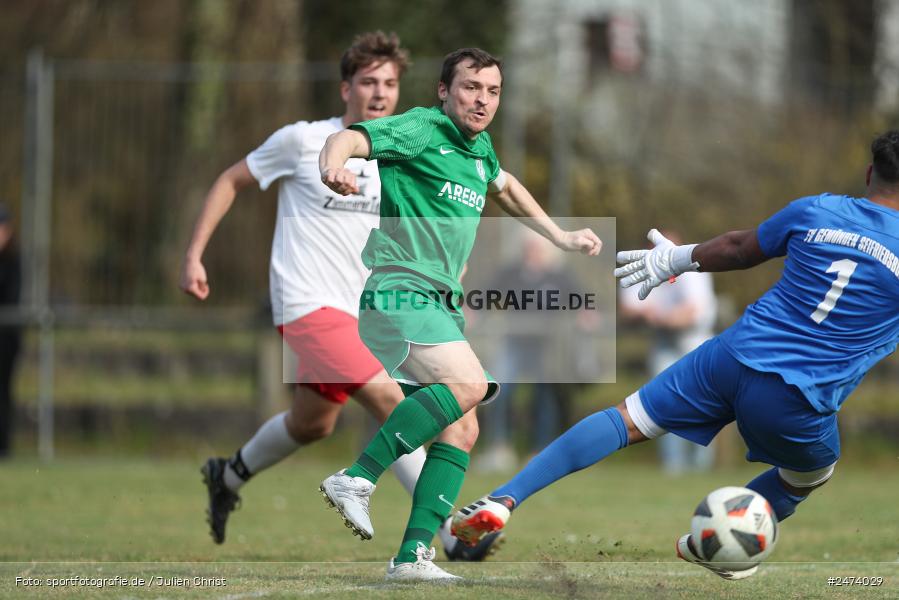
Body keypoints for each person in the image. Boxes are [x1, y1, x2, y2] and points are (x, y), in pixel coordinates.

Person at [451, 130, 899, 580]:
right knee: (811, 473)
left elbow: (739, 249)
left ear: (869, 173)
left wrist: (677, 258)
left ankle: (504, 498)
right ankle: (714, 542)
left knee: (628, 418)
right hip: (797, 396)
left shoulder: (817, 209)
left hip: (731, 356)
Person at [179, 32, 499, 562]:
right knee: (393, 401)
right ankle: (446, 533)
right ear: (346, 87)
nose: (380, 93)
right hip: (307, 304)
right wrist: (193, 255)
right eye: (369, 82)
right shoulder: (303, 140)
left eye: (390, 83)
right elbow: (231, 181)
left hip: (370, 310)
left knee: (312, 423)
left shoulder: (402, 147)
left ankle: (227, 475)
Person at [317, 47, 602, 582]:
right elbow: (352, 138)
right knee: (471, 384)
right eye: (471, 87)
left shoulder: (480, 149)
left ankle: (411, 558)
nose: (482, 100)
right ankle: (356, 477)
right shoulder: (421, 128)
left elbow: (506, 187)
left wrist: (560, 236)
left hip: (438, 303)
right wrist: (333, 165)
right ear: (444, 91)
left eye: (493, 91)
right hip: (400, 288)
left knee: (464, 428)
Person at [619, 230, 718, 475]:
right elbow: (628, 308)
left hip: (695, 342)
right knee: (664, 403)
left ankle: (701, 466)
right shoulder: (647, 265)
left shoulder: (692, 267)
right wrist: (648, 314)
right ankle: (673, 466)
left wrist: (659, 316)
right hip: (664, 343)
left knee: (702, 405)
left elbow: (692, 313)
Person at [0, 205, 21, 459]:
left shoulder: (14, 261)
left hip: (6, 341)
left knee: (3, 392)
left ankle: (3, 446)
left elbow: (12, 298)